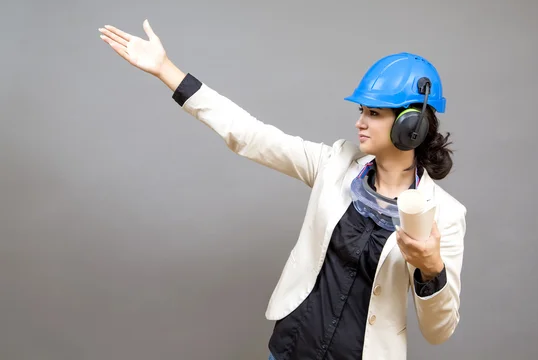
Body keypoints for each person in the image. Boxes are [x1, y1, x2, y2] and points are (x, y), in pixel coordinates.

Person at [99, 19, 467, 360]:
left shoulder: (445, 216)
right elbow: (251, 135)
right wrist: (166, 69)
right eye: (361, 110)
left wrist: (431, 269)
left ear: (411, 124)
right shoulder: (335, 164)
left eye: (374, 113)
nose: (359, 122)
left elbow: (439, 331)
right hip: (292, 347)